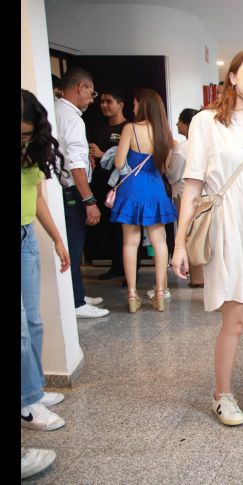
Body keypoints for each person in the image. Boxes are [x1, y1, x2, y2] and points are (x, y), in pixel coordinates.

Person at [172, 48, 243, 427]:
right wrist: (180, 243)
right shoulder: (206, 122)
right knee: (234, 317)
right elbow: (192, 186)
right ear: (232, 77)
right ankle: (222, 394)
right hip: (227, 228)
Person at [21, 89, 71, 431]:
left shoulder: (31, 155)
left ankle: (32, 390)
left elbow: (37, 198)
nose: (23, 141)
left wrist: (56, 238)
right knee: (21, 328)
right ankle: (26, 404)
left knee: (34, 322)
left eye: (27, 135)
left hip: (25, 237)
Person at [110, 89, 178, 313]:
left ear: (143, 105)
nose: (133, 107)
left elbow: (119, 163)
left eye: (135, 103)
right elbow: (166, 168)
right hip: (155, 189)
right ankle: (159, 293)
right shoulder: (164, 133)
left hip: (131, 189)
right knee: (160, 242)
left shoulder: (130, 128)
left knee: (130, 242)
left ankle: (132, 295)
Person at [54, 68, 109, 318]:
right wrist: (89, 201)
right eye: (92, 92)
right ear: (81, 88)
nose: (92, 98)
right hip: (73, 192)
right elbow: (74, 164)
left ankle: (76, 292)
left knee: (72, 246)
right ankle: (76, 302)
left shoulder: (56, 110)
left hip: (64, 190)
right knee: (73, 247)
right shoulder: (72, 118)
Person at [88, 88, 130, 282]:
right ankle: (116, 266)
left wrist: (102, 155)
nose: (104, 105)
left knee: (125, 231)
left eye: (109, 101)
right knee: (109, 229)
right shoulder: (101, 129)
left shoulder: (128, 129)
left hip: (122, 187)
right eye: (102, 101)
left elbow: (127, 161)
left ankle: (129, 269)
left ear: (120, 105)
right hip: (102, 187)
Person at [166, 108, 204, 288]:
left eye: (179, 121)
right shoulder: (206, 145)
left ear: (187, 124)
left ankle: (197, 277)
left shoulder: (181, 148)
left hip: (183, 193)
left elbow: (172, 174)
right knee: (202, 233)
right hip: (205, 196)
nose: (176, 125)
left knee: (189, 234)